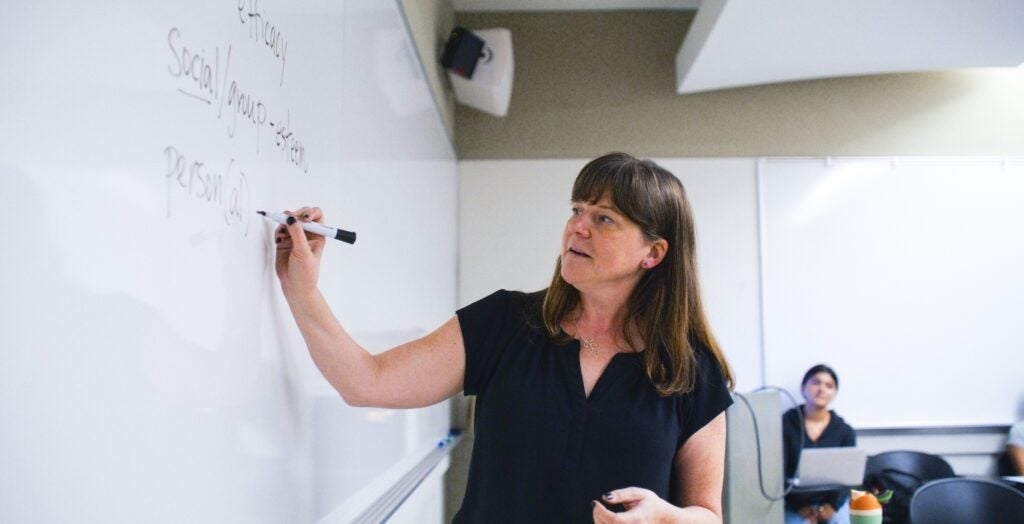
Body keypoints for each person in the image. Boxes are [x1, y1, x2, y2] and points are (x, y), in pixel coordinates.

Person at [273, 153, 735, 523]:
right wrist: (302, 289)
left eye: (605, 219)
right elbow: (367, 382)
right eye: (577, 210)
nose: (578, 226)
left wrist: (665, 520)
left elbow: (707, 515)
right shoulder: (506, 323)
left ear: (652, 254)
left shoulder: (691, 369)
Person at [782, 364, 856, 524]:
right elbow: (777, 473)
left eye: (829, 385)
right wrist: (799, 507)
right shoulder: (786, 424)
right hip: (794, 503)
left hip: (832, 503)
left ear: (834, 392)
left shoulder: (845, 431)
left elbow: (848, 477)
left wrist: (832, 507)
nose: (821, 389)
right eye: (816, 382)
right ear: (804, 387)